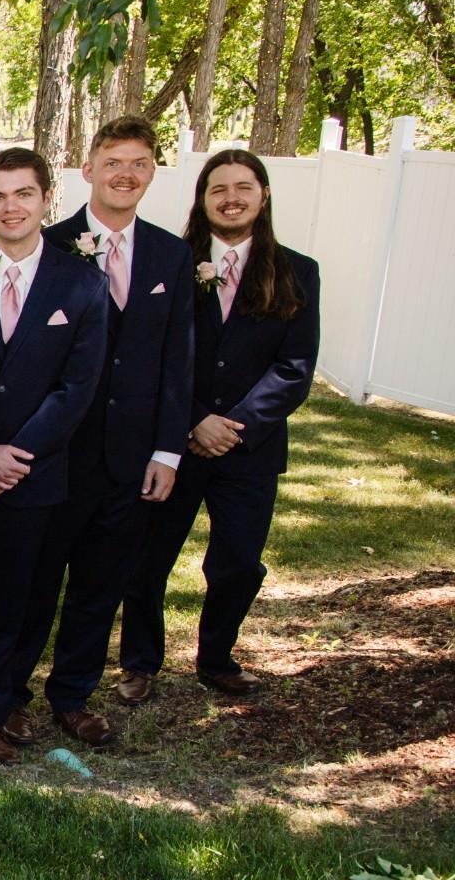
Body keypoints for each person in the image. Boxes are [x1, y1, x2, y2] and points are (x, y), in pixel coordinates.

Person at [120, 149, 320, 696]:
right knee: (147, 557)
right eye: (219, 189)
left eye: (243, 188)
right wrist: (193, 421)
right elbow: (149, 355)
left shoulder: (298, 272)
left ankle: (216, 657)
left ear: (264, 195)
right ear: (203, 200)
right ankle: (139, 662)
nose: (231, 199)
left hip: (249, 449)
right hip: (174, 442)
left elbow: (295, 367)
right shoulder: (172, 263)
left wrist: (234, 425)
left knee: (238, 563)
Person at [16, 117, 194, 720]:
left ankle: (72, 696)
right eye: (113, 162)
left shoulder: (172, 255)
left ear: (152, 173)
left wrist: (167, 451)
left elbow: (178, 361)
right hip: (57, 453)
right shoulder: (47, 245)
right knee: (36, 584)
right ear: (88, 170)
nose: (125, 174)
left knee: (99, 587)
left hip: (130, 458)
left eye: (139, 163)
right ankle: (10, 695)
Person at [0, 148, 107, 764]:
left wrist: (15, 456)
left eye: (24, 194)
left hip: (32, 476)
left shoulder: (82, 283)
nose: (11, 207)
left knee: (10, 602)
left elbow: (77, 387)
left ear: (46, 200)